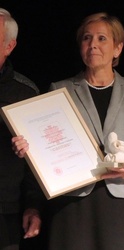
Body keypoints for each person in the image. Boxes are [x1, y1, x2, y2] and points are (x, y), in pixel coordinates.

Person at [12, 12, 124, 250]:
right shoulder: (60, 89)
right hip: (72, 200)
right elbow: (46, 146)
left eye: (102, 38)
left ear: (118, 48)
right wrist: (30, 149)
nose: (93, 44)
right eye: (86, 38)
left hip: (121, 200)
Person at [0, 8, 43, 250]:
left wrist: (33, 205)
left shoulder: (24, 94)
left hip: (6, 214)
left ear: (9, 46)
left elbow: (35, 161)